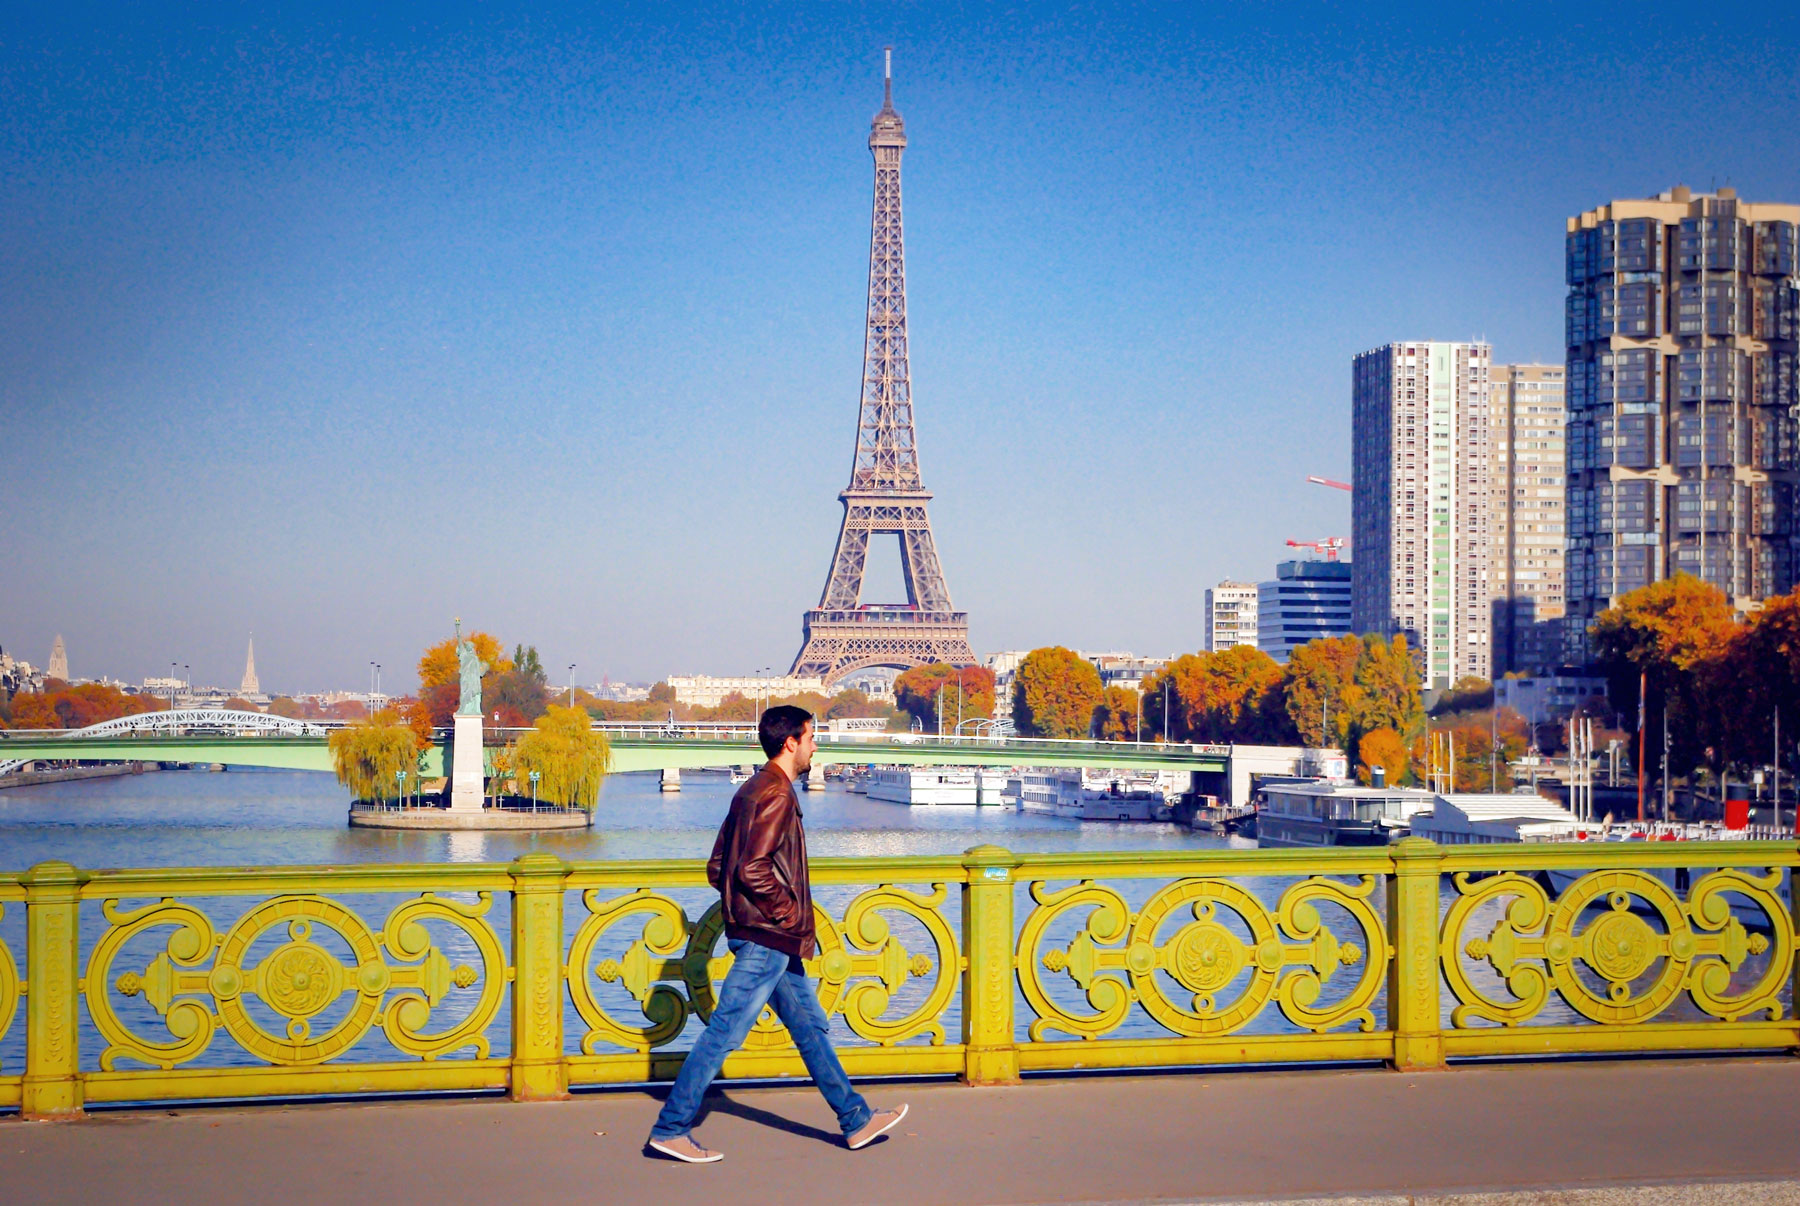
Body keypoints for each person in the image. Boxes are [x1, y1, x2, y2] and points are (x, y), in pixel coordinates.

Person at [646, 705, 908, 1163]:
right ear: (790, 742)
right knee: (724, 1032)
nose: (815, 745)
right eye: (811, 737)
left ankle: (856, 1120)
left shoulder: (752, 788)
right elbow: (751, 868)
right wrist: (787, 913)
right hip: (768, 936)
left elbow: (718, 866)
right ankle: (670, 1128)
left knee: (809, 1029)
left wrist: (748, 911)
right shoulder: (777, 794)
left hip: (765, 935)